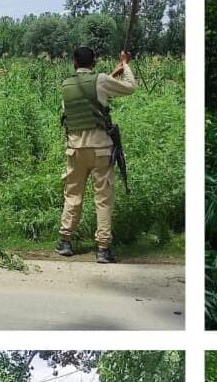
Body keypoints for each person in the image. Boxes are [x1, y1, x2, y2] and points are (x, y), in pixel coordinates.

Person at [58, 47, 136, 264]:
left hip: (75, 150)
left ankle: (65, 241)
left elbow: (89, 97)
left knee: (73, 196)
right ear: (93, 63)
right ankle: (102, 248)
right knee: (103, 199)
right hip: (101, 150)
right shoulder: (101, 80)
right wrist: (125, 65)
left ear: (74, 62)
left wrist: (113, 74)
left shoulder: (66, 85)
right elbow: (130, 87)